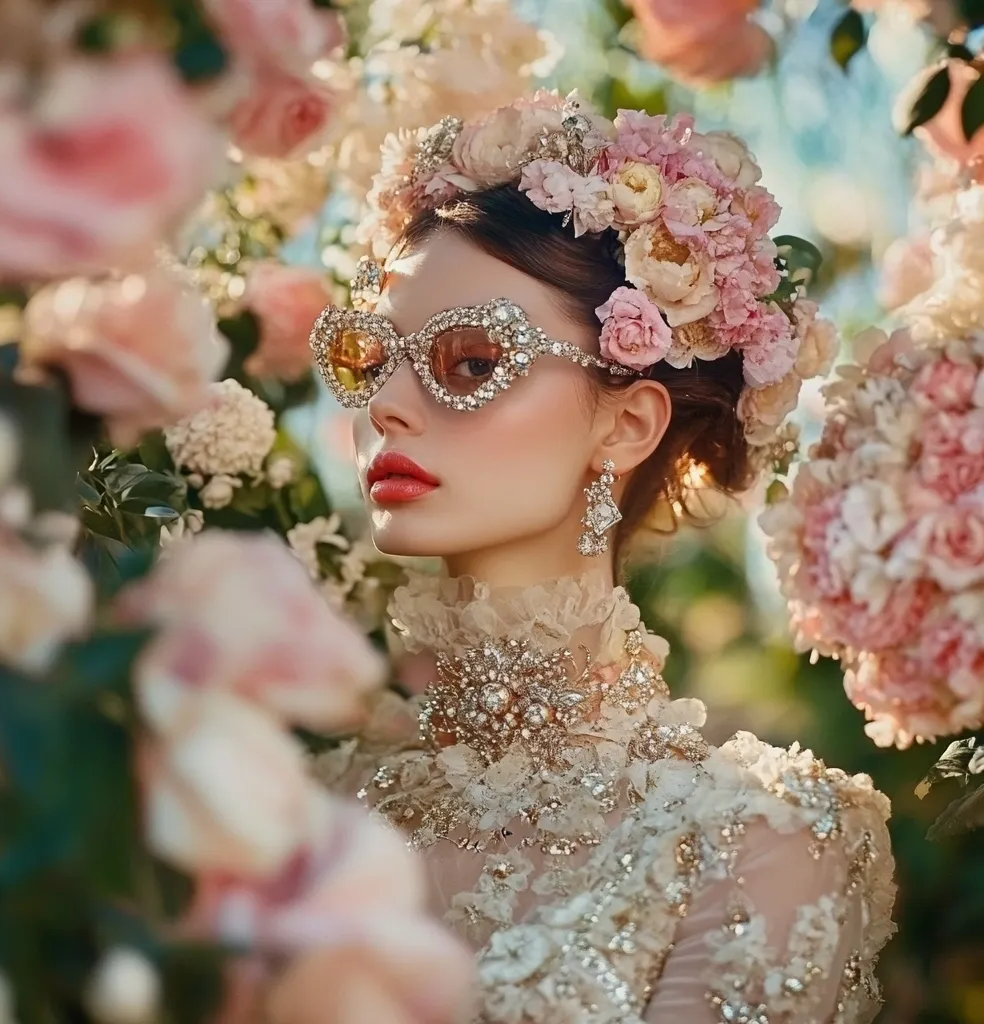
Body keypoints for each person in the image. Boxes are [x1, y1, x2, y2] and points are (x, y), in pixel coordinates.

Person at [313, 92, 896, 1023]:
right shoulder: (299, 810)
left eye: (469, 363)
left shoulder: (754, 839)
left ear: (625, 424)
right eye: (371, 357)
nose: (387, 404)